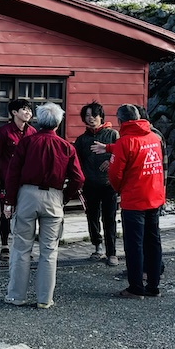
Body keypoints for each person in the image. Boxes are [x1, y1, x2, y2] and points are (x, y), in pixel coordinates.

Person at [3, 102, 84, 309]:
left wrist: (9, 201)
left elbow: (13, 174)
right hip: (54, 196)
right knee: (49, 251)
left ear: (39, 120)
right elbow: (78, 178)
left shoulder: (27, 142)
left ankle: (16, 296)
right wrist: (64, 197)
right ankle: (44, 299)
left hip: (27, 195)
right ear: (58, 122)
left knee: (21, 248)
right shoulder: (67, 147)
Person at [108, 103, 167, 299]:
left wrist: (119, 189)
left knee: (134, 244)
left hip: (134, 199)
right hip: (154, 197)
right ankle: (153, 285)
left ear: (121, 121)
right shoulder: (153, 137)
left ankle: (135, 287)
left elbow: (115, 174)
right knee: (154, 242)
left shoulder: (126, 141)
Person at [74, 101, 119, 265]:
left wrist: (111, 161)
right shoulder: (81, 140)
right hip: (89, 185)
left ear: (101, 116)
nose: (91, 118)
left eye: (94, 115)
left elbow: (122, 155)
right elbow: (76, 162)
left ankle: (112, 252)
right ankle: (97, 246)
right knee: (92, 216)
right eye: (87, 115)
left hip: (109, 184)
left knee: (110, 218)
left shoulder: (113, 135)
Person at [0, 98, 34, 260]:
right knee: (6, 212)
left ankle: (22, 246)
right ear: (14, 112)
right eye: (24, 109)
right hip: (8, 179)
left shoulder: (32, 133)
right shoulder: (3, 132)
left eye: (29, 110)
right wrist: (3, 175)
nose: (28, 112)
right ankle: (4, 246)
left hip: (27, 180)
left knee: (26, 214)